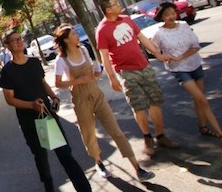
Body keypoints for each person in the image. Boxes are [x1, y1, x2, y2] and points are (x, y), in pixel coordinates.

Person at [53, 24, 155, 181]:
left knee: (116, 131)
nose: (76, 36)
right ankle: (98, 162)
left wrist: (97, 73)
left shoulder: (84, 50)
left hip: (97, 95)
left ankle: (137, 167)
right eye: (73, 34)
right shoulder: (61, 60)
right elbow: (58, 83)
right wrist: (78, 80)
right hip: (80, 100)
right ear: (65, 40)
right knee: (89, 134)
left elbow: (94, 71)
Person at [0, 30, 92, 192]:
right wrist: (31, 105)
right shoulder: (7, 71)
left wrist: (54, 97)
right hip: (29, 121)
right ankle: (48, 185)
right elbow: (9, 99)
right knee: (41, 156)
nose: (19, 42)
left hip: (47, 116)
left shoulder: (34, 62)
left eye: (19, 38)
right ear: (7, 46)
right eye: (14, 41)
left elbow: (43, 83)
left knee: (65, 154)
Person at [96, 0, 180, 156]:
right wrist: (112, 78)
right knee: (139, 106)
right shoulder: (102, 30)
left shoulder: (127, 19)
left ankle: (161, 136)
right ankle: (147, 137)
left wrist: (157, 53)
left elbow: (141, 38)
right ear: (108, 10)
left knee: (155, 101)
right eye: (115, 4)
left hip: (144, 66)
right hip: (126, 72)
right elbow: (104, 57)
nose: (119, 5)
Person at [151, 2, 222, 151]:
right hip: (179, 70)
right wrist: (164, 57)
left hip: (195, 64)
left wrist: (181, 56)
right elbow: (153, 50)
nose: (171, 16)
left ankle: (202, 127)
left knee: (199, 99)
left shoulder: (183, 25)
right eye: (166, 14)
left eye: (172, 13)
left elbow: (196, 46)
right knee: (202, 99)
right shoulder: (159, 33)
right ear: (161, 17)